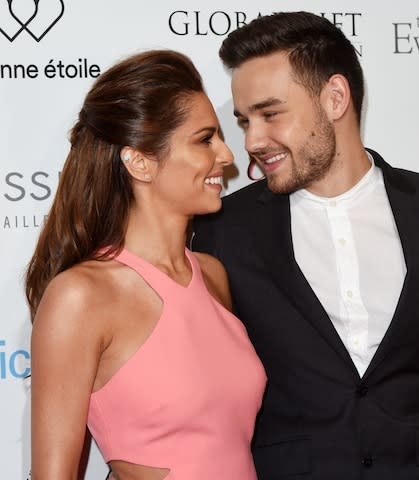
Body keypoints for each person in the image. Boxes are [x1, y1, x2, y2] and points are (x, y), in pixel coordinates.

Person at [192, 11, 419, 480]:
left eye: (270, 114)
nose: (252, 141)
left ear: (335, 97)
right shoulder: (224, 230)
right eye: (244, 122)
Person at [26, 49, 266, 480]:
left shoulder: (212, 275)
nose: (227, 155)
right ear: (139, 161)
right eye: (204, 139)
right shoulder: (81, 296)